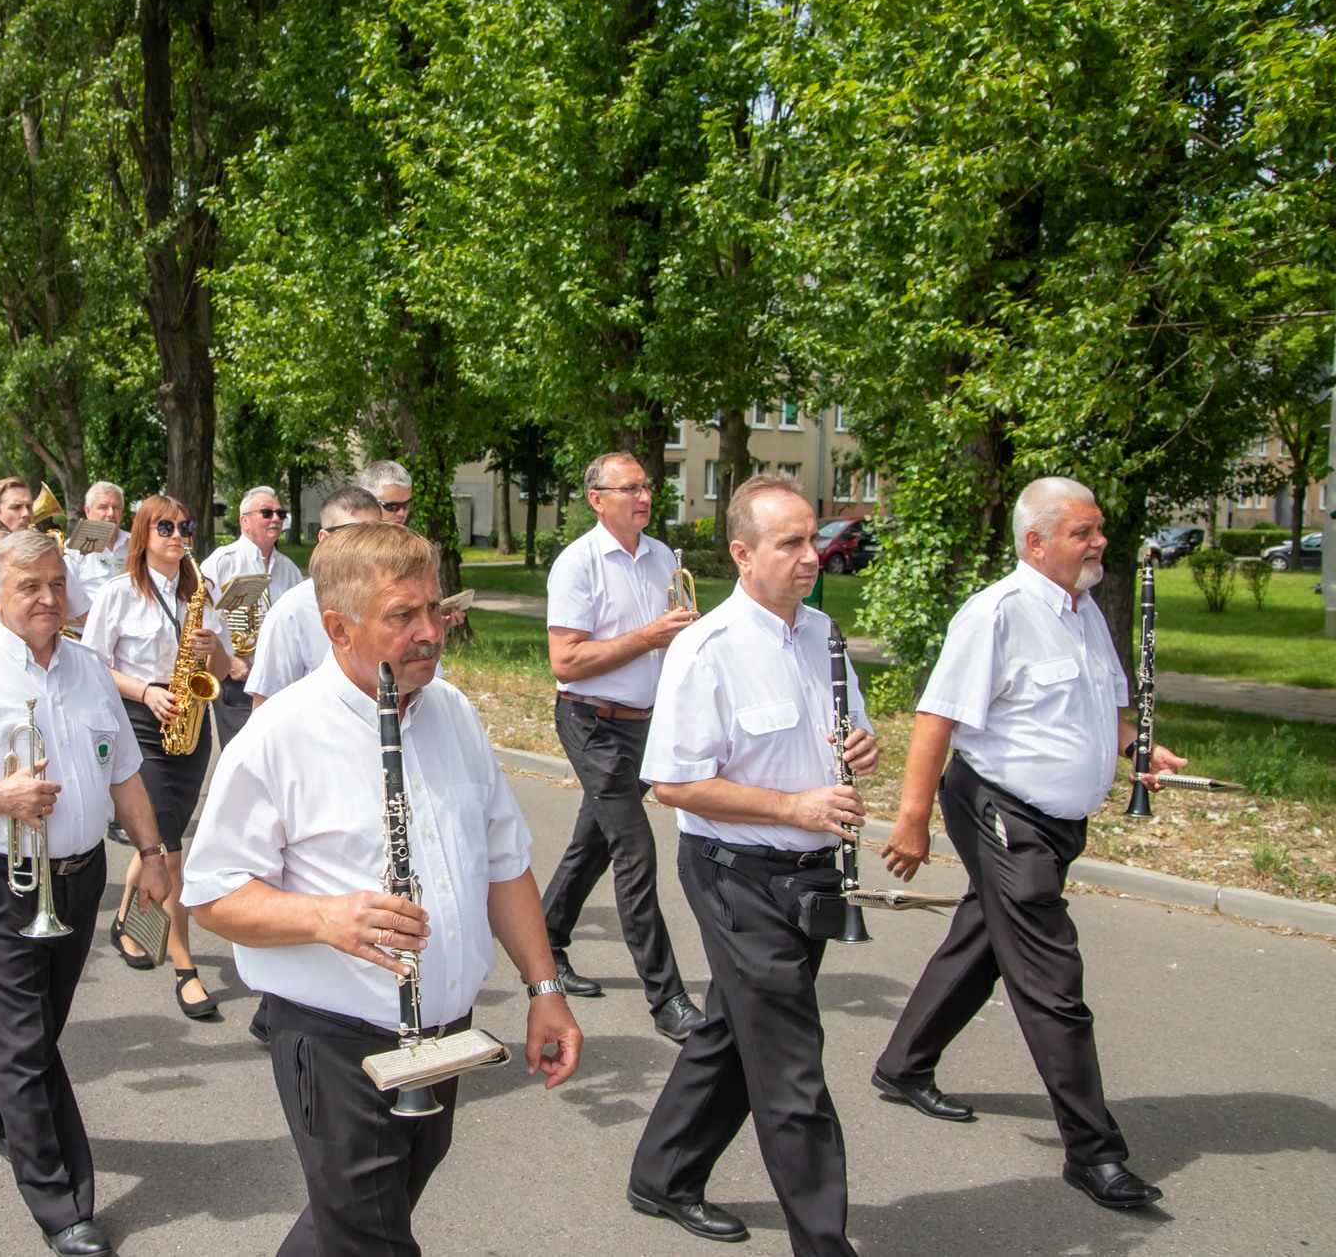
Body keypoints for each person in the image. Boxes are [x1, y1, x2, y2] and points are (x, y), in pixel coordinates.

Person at [184, 521, 584, 1257]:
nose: (430, 631)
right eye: (404, 616)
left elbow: (503, 860)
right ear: (337, 627)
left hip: (444, 1036)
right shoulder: (279, 736)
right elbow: (210, 894)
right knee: (372, 1239)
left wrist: (544, 987)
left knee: (364, 1216)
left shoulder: (455, 712)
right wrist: (325, 916)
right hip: (338, 1043)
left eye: (435, 608)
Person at [874, 477, 1184, 1212]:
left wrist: (1141, 748)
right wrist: (911, 819)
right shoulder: (996, 614)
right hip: (999, 808)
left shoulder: (1084, 613)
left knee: (987, 933)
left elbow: (1104, 705)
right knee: (1051, 977)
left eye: (1099, 528)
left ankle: (903, 1064)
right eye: (1083, 532)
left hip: (1057, 823)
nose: (1098, 541)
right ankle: (1093, 1151)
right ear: (1035, 542)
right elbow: (936, 719)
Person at [0, 530, 171, 1257]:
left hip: (81, 878)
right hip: (1, 880)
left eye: (56, 582)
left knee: (40, 1024)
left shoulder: (88, 669)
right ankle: (61, 1202)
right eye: (29, 586)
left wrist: (151, 851)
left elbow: (124, 773)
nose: (49, 597)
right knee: (25, 1041)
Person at [626, 474, 877, 1255]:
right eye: (791, 543)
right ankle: (823, 1241)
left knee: (738, 1028)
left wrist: (861, 751)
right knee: (793, 1063)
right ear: (742, 554)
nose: (812, 556)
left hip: (811, 876)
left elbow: (848, 736)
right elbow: (672, 783)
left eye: (813, 539)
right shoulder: (707, 648)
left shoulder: (824, 633)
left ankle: (663, 1171)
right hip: (736, 872)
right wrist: (794, 806)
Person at [539, 452, 703, 1040]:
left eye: (647, 487)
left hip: (646, 722)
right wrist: (651, 635)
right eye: (629, 488)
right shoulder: (576, 565)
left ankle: (549, 942)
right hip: (591, 721)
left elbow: (672, 644)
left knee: (594, 843)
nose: (643, 497)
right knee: (636, 850)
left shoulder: (662, 557)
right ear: (596, 498)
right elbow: (568, 661)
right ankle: (668, 1000)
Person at [82, 495, 232, 1018]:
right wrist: (146, 692)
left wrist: (214, 648)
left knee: (158, 835)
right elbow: (94, 666)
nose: (176, 534)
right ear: (143, 534)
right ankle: (186, 968)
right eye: (164, 526)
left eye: (184, 526)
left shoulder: (201, 594)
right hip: (141, 723)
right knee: (170, 852)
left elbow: (228, 663)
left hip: (190, 724)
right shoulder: (117, 594)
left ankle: (126, 919)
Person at [242, 488, 383, 707]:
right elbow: (265, 709)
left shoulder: (392, 601)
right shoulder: (292, 612)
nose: (367, 546)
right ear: (324, 539)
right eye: (352, 533)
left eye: (377, 533)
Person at [198, 485, 303, 745]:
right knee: (243, 754)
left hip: (280, 680)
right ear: (244, 521)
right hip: (238, 678)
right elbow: (204, 619)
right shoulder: (222, 561)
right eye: (267, 513)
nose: (277, 519)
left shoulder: (289, 569)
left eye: (281, 513)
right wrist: (231, 660)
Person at [0, 479, 94, 649]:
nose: (26, 514)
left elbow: (87, 616)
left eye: (29, 506)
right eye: (16, 507)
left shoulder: (53, 564)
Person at [72, 481, 130, 600]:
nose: (111, 513)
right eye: (103, 507)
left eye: (116, 507)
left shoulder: (136, 543)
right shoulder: (72, 549)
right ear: (88, 511)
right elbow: (69, 595)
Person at [357, 459, 413, 525]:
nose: (401, 513)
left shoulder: (406, 534)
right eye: (392, 506)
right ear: (366, 502)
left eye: (406, 505)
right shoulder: (348, 534)